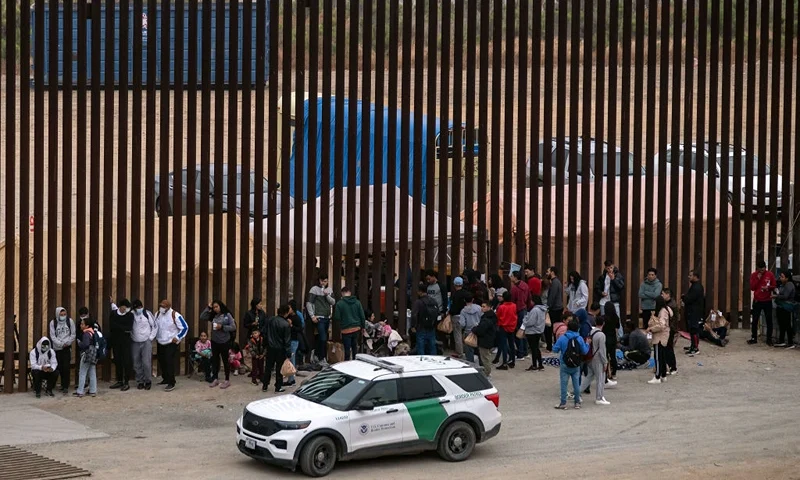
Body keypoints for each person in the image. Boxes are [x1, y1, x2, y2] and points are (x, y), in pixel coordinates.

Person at [553, 319, 589, 410]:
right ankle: (577, 402)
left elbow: (555, 349)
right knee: (576, 384)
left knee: (563, 384)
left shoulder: (563, 337)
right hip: (576, 364)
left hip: (565, 363)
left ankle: (563, 403)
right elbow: (585, 351)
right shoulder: (579, 338)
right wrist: (587, 344)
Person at [200, 300, 237, 389]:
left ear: (220, 306)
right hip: (215, 341)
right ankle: (215, 378)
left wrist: (222, 327)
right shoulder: (213, 316)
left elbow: (233, 327)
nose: (215, 309)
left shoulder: (227, 315)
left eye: (217, 307)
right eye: (214, 307)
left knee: (225, 360)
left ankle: (227, 380)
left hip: (225, 341)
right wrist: (208, 308)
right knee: (215, 360)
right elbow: (202, 316)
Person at [155, 299, 188, 392]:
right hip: (160, 342)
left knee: (169, 361)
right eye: (160, 306)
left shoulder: (175, 315)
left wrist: (178, 337)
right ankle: (165, 378)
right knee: (162, 361)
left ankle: (171, 382)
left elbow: (185, 327)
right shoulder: (157, 314)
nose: (161, 308)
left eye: (163, 306)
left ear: (168, 307)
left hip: (170, 342)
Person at [579, 316, 610, 405]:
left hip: (589, 357)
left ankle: (577, 392)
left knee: (588, 377)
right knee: (600, 378)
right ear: (603, 323)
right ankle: (599, 397)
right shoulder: (601, 335)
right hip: (598, 359)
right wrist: (605, 362)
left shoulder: (591, 331)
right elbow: (602, 350)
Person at [306, 274, 336, 363]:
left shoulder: (329, 290)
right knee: (322, 337)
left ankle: (316, 354)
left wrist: (327, 295)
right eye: (322, 281)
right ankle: (321, 358)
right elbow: (309, 303)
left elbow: (333, 302)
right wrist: (312, 316)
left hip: (327, 317)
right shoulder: (314, 289)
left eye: (325, 281)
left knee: (322, 337)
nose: (323, 283)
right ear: (319, 280)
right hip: (319, 317)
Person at [263, 305, 292, 393]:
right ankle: (278, 386)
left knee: (268, 367)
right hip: (280, 349)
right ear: (286, 313)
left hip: (270, 347)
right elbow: (287, 340)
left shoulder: (270, 320)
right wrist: (288, 352)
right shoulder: (286, 324)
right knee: (279, 368)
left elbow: (264, 332)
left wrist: (265, 344)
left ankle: (265, 385)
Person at [130, 299, 158, 390]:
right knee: (136, 363)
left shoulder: (147, 313)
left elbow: (155, 326)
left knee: (146, 362)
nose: (139, 309)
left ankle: (148, 380)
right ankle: (140, 381)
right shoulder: (131, 314)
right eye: (137, 308)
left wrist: (150, 338)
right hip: (135, 342)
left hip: (146, 341)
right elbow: (121, 312)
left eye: (140, 307)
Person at [332, 286, 366, 362]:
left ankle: (347, 364)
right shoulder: (357, 302)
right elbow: (362, 316)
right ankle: (355, 362)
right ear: (350, 293)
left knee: (347, 349)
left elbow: (337, 317)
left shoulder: (339, 304)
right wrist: (363, 327)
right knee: (355, 348)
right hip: (356, 328)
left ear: (342, 293)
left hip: (345, 329)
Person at [109, 298, 134, 391]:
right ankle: (119, 380)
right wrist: (122, 328)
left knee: (126, 361)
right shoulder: (114, 314)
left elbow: (129, 328)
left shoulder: (130, 315)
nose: (126, 309)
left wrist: (119, 327)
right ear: (121, 306)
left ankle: (126, 381)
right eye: (125, 307)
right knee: (117, 360)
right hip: (116, 341)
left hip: (126, 342)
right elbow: (112, 326)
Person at [49, 306, 76, 395]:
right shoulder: (53, 323)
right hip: (57, 348)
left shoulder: (70, 321)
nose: (63, 316)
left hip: (67, 348)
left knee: (66, 367)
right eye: (61, 314)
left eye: (64, 314)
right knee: (59, 367)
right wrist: (60, 344)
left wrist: (67, 343)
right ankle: (58, 384)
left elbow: (73, 334)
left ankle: (65, 386)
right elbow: (53, 336)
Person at [749, 260, 777, 345]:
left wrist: (767, 288)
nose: (762, 271)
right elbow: (752, 288)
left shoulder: (770, 274)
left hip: (767, 300)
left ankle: (769, 339)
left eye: (763, 269)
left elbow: (774, 286)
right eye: (760, 269)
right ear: (757, 268)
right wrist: (758, 278)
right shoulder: (754, 275)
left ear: (765, 267)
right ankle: (754, 337)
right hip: (757, 300)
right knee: (755, 320)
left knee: (769, 320)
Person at [594, 260, 625, 336]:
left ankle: (620, 337)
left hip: (614, 301)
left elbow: (621, 287)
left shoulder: (618, 275)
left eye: (611, 267)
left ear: (613, 266)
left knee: (617, 319)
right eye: (608, 268)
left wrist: (613, 279)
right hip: (603, 301)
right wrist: (601, 293)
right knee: (604, 319)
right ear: (605, 268)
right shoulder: (602, 276)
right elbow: (597, 288)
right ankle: (604, 335)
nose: (610, 270)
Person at [646, 296, 672, 384]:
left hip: (659, 337)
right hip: (664, 336)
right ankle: (663, 375)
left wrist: (651, 329)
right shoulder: (667, 310)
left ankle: (657, 376)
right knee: (662, 356)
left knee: (657, 357)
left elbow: (661, 325)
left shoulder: (662, 312)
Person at [411, 284, 439, 355]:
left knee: (421, 346)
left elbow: (414, 315)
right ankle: (434, 360)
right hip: (431, 327)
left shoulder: (418, 302)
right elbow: (437, 313)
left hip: (421, 327)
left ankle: (422, 361)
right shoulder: (433, 301)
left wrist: (413, 326)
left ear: (420, 292)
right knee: (432, 345)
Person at [682, 270, 705, 356]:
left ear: (695, 277)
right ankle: (692, 345)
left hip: (694, 312)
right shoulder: (695, 286)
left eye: (691, 275)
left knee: (694, 330)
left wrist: (684, 297)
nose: (689, 277)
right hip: (692, 311)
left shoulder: (697, 287)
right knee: (692, 330)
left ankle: (695, 348)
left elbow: (689, 299)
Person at [472, 301, 497, 377]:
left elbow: (480, 330)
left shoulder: (486, 319)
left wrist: (474, 329)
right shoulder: (492, 317)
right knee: (486, 356)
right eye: (482, 306)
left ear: (489, 307)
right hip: (489, 339)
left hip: (484, 341)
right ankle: (487, 371)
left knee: (485, 358)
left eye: (484, 306)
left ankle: (487, 372)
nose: (482, 308)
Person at [449, 276, 472, 358]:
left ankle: (460, 352)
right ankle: (467, 350)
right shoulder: (466, 293)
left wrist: (450, 313)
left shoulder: (455, 294)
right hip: (466, 315)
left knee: (457, 334)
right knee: (465, 333)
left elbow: (453, 306)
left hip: (456, 315)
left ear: (455, 284)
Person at [74, 317, 98, 398]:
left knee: (82, 372)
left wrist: (80, 343)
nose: (81, 325)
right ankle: (93, 390)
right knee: (92, 372)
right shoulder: (92, 332)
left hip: (86, 354)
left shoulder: (86, 334)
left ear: (87, 326)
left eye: (82, 324)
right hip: (93, 354)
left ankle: (80, 391)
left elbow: (86, 344)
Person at [510, 271, 532, 359]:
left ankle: (520, 352)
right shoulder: (525, 285)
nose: (510, 277)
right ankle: (525, 351)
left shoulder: (514, 289)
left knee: (518, 331)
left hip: (518, 310)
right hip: (525, 309)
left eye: (511, 276)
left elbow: (512, 301)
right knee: (523, 330)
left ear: (515, 277)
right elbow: (529, 298)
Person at [772, 271, 796, 348]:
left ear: (787, 278)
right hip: (781, 307)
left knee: (787, 324)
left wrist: (776, 296)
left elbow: (785, 296)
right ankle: (781, 341)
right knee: (782, 324)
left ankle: (790, 342)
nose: (780, 278)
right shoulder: (783, 284)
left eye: (782, 277)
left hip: (786, 307)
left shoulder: (789, 284)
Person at [522, 296, 547, 371]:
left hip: (532, 332)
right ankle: (540, 364)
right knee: (536, 348)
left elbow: (530, 322)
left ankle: (534, 365)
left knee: (533, 349)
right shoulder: (543, 310)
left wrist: (525, 320)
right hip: (539, 331)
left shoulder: (535, 310)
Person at [495, 291, 518, 370]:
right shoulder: (514, 306)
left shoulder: (501, 307)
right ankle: (513, 361)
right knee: (512, 344)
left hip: (503, 327)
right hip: (512, 327)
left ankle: (504, 363)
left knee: (504, 345)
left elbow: (498, 316)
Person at [458, 294, 483, 364]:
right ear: (472, 299)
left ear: (464, 300)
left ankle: (471, 365)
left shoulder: (463, 311)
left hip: (468, 332)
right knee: (480, 350)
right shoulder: (478, 308)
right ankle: (482, 365)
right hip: (478, 331)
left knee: (469, 352)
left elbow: (462, 324)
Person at [287, 302, 306, 386]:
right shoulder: (288, 317)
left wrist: (291, 326)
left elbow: (300, 329)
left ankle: (292, 379)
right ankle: (289, 378)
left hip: (294, 340)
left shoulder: (297, 318)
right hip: (289, 340)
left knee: (292, 359)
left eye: (289, 308)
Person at [661, 288, 679, 375]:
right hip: (670, 328)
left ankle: (673, 367)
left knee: (669, 348)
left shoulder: (671, 305)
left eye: (663, 294)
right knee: (667, 348)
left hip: (670, 329)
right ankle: (670, 366)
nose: (662, 295)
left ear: (668, 294)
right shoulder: (669, 303)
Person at [546, 266, 564, 350]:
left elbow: (552, 297)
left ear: (552, 272)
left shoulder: (555, 283)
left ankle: (551, 346)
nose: (547, 273)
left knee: (551, 328)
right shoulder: (554, 282)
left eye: (548, 271)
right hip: (556, 308)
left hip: (555, 309)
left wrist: (548, 307)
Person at [601, 303, 620, 381]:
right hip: (613, 338)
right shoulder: (616, 317)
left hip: (605, 338)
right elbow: (617, 328)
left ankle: (606, 373)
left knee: (605, 356)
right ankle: (614, 373)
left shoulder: (603, 318)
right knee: (613, 356)